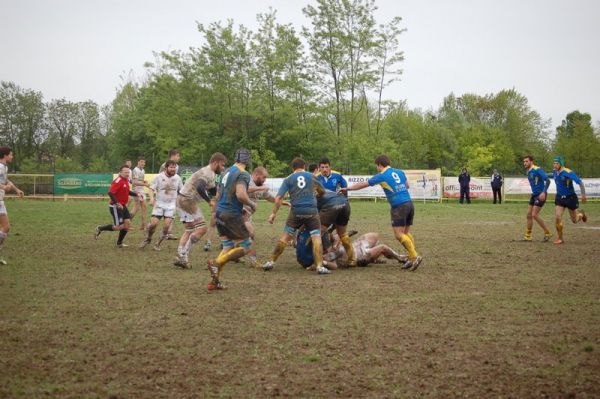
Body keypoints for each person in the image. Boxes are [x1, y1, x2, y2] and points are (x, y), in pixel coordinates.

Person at [342, 154, 422, 270]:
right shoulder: (400, 172)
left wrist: (348, 188)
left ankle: (414, 257)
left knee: (399, 235)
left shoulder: (382, 175)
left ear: (379, 165)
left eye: (377, 166)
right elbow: (407, 185)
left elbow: (363, 184)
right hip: (409, 204)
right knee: (406, 232)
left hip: (398, 206)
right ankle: (411, 257)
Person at [262, 157, 331, 275]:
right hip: (311, 211)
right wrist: (316, 194)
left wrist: (273, 213)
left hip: (296, 211)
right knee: (316, 238)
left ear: (292, 168)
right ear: (304, 167)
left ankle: (271, 262)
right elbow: (322, 191)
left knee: (285, 238)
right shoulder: (311, 176)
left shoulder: (288, 179)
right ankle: (319, 266)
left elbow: (278, 198)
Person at [206, 149, 257, 290]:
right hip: (230, 215)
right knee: (246, 246)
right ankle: (216, 263)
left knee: (227, 246)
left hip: (220, 213)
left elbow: (219, 194)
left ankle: (214, 282)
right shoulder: (243, 174)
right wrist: (251, 204)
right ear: (247, 160)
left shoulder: (226, 172)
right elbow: (241, 194)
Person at [174, 153, 227, 268]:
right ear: (215, 163)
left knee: (191, 229)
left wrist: (221, 198)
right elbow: (199, 187)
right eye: (222, 165)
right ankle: (182, 256)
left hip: (183, 199)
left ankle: (181, 255)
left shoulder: (211, 173)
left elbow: (213, 190)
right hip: (187, 200)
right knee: (202, 228)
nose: (223, 168)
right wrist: (209, 201)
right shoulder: (207, 172)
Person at [243, 167, 289, 267]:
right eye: (264, 177)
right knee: (250, 233)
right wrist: (260, 188)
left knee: (240, 239)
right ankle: (253, 261)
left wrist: (282, 202)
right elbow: (243, 189)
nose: (265, 180)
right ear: (256, 175)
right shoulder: (247, 181)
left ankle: (228, 256)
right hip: (239, 213)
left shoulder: (261, 185)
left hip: (248, 215)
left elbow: (269, 197)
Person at [95, 165, 143, 247]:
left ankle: (119, 243)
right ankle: (100, 228)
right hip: (115, 206)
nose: (127, 174)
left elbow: (127, 191)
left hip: (123, 205)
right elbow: (110, 193)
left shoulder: (126, 180)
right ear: (120, 172)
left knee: (127, 223)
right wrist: (117, 203)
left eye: (128, 172)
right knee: (119, 227)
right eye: (125, 172)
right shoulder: (118, 181)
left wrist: (137, 194)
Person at [140, 160, 183, 251]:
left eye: (174, 167)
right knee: (153, 224)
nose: (173, 169)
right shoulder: (159, 177)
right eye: (171, 167)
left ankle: (157, 244)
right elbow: (151, 189)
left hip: (171, 205)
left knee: (166, 227)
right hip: (159, 204)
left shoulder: (178, 178)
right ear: (166, 168)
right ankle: (148, 238)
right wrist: (152, 199)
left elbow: (181, 191)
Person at [551, 156, 587, 245]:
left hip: (570, 198)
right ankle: (560, 238)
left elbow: (580, 182)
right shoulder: (555, 172)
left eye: (557, 163)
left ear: (561, 164)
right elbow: (548, 175)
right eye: (554, 163)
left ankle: (581, 215)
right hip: (559, 197)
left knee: (574, 220)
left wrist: (583, 194)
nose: (555, 165)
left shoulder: (568, 172)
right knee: (557, 217)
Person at [327, 231, 408, 268]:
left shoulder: (331, 239)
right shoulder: (328, 253)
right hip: (359, 257)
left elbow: (338, 236)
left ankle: (374, 258)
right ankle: (400, 258)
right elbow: (334, 265)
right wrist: (323, 263)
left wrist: (347, 234)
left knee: (374, 235)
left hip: (355, 246)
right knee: (383, 247)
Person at [316, 189, 355, 266]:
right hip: (345, 204)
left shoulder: (308, 195)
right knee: (343, 234)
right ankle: (352, 260)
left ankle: (317, 261)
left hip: (331, 205)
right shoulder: (325, 190)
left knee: (317, 233)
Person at [0, 147, 25, 265]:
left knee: (6, 227)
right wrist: (3, 187)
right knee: (6, 227)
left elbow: (6, 180)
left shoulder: (4, 167)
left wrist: (16, 190)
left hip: (0, 201)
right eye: (10, 154)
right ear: (5, 155)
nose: (12, 156)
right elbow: (3, 183)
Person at [522, 155, 552, 242]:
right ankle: (528, 236)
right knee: (528, 215)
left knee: (534, 215)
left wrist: (543, 192)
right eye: (524, 162)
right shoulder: (528, 172)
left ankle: (547, 232)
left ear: (531, 161)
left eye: (527, 161)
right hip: (534, 195)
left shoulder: (537, 169)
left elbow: (548, 180)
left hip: (541, 194)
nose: (525, 163)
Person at [159, 149, 181, 240]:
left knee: (171, 213)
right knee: (160, 214)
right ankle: (155, 229)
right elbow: (160, 177)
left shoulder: (177, 166)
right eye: (178, 155)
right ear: (174, 155)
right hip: (164, 193)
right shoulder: (164, 165)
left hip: (173, 193)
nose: (179, 158)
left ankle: (168, 233)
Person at [130, 157, 149, 230]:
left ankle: (143, 225)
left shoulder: (143, 170)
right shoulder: (135, 170)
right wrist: (145, 184)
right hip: (136, 191)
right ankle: (143, 225)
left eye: (144, 162)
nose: (143, 163)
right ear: (138, 162)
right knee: (141, 207)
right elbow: (134, 182)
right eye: (141, 162)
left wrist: (144, 182)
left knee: (139, 208)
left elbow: (140, 180)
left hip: (141, 191)